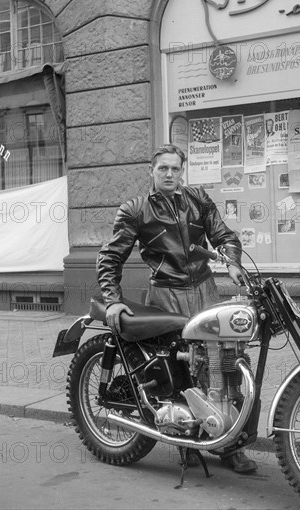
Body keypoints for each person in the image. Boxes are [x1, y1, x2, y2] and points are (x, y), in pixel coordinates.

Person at [96, 144, 257, 474]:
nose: (169, 174)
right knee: (180, 370)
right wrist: (112, 299)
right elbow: (110, 257)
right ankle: (185, 436)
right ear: (151, 171)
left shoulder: (198, 199)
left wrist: (232, 261)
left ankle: (230, 445)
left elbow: (223, 234)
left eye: (175, 169)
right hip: (166, 295)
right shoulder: (136, 209)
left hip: (205, 289)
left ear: (182, 171)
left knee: (226, 364)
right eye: (162, 169)